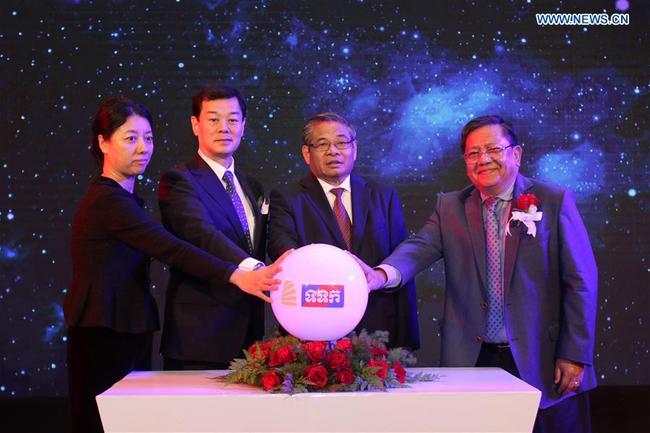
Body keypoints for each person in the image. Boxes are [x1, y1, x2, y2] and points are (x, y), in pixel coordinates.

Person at [361, 115, 597, 433]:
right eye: (473, 153)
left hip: (541, 359)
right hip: (474, 360)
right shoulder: (450, 206)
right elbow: (418, 248)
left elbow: (580, 282)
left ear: (516, 154)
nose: (483, 159)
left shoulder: (553, 201)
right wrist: (378, 275)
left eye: (492, 149)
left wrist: (574, 353)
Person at [64, 97, 285, 433]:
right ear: (103, 142)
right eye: (130, 138)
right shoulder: (108, 200)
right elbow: (174, 248)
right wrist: (237, 275)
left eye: (148, 138)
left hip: (125, 327)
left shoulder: (124, 199)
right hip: (103, 331)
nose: (142, 148)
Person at [268, 112, 419, 349]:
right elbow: (281, 246)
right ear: (307, 154)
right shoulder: (287, 198)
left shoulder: (383, 195)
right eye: (322, 144)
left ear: (354, 149)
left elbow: (399, 259)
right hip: (315, 332)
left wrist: (407, 336)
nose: (333, 151)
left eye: (341, 142)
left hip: (378, 334)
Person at [158, 85, 271, 370]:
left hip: (250, 337)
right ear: (195, 125)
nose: (224, 128)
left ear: (243, 126)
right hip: (199, 337)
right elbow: (201, 234)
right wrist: (254, 268)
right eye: (213, 119)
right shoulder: (179, 179)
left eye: (233, 120)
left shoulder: (251, 185)